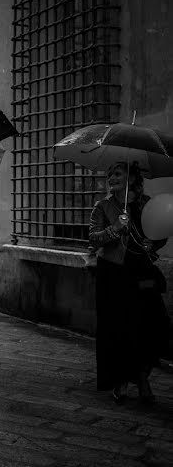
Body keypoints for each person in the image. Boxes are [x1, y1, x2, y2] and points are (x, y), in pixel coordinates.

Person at [89, 161, 168, 404]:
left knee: (152, 326)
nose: (112, 177)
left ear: (132, 179)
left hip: (141, 273)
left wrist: (152, 245)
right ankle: (120, 381)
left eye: (118, 173)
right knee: (118, 329)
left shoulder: (146, 204)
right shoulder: (102, 206)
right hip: (112, 274)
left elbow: (161, 231)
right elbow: (93, 238)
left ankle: (143, 377)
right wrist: (114, 229)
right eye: (110, 173)